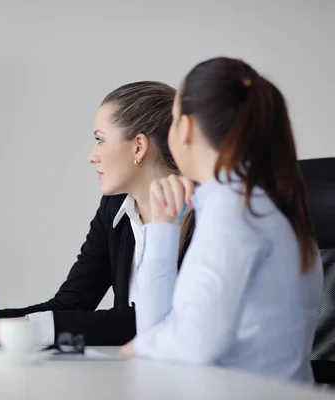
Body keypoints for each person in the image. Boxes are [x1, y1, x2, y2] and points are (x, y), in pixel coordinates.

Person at [120, 57, 323, 383]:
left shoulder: (233, 213)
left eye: (172, 120)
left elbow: (196, 344)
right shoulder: (245, 203)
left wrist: (136, 348)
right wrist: (161, 226)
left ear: (184, 129)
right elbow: (159, 330)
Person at [0, 82, 195, 346]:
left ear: (138, 147)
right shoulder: (113, 208)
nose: (92, 156)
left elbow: (149, 321)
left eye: (100, 140)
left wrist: (4, 329)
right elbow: (71, 304)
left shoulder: (202, 214)